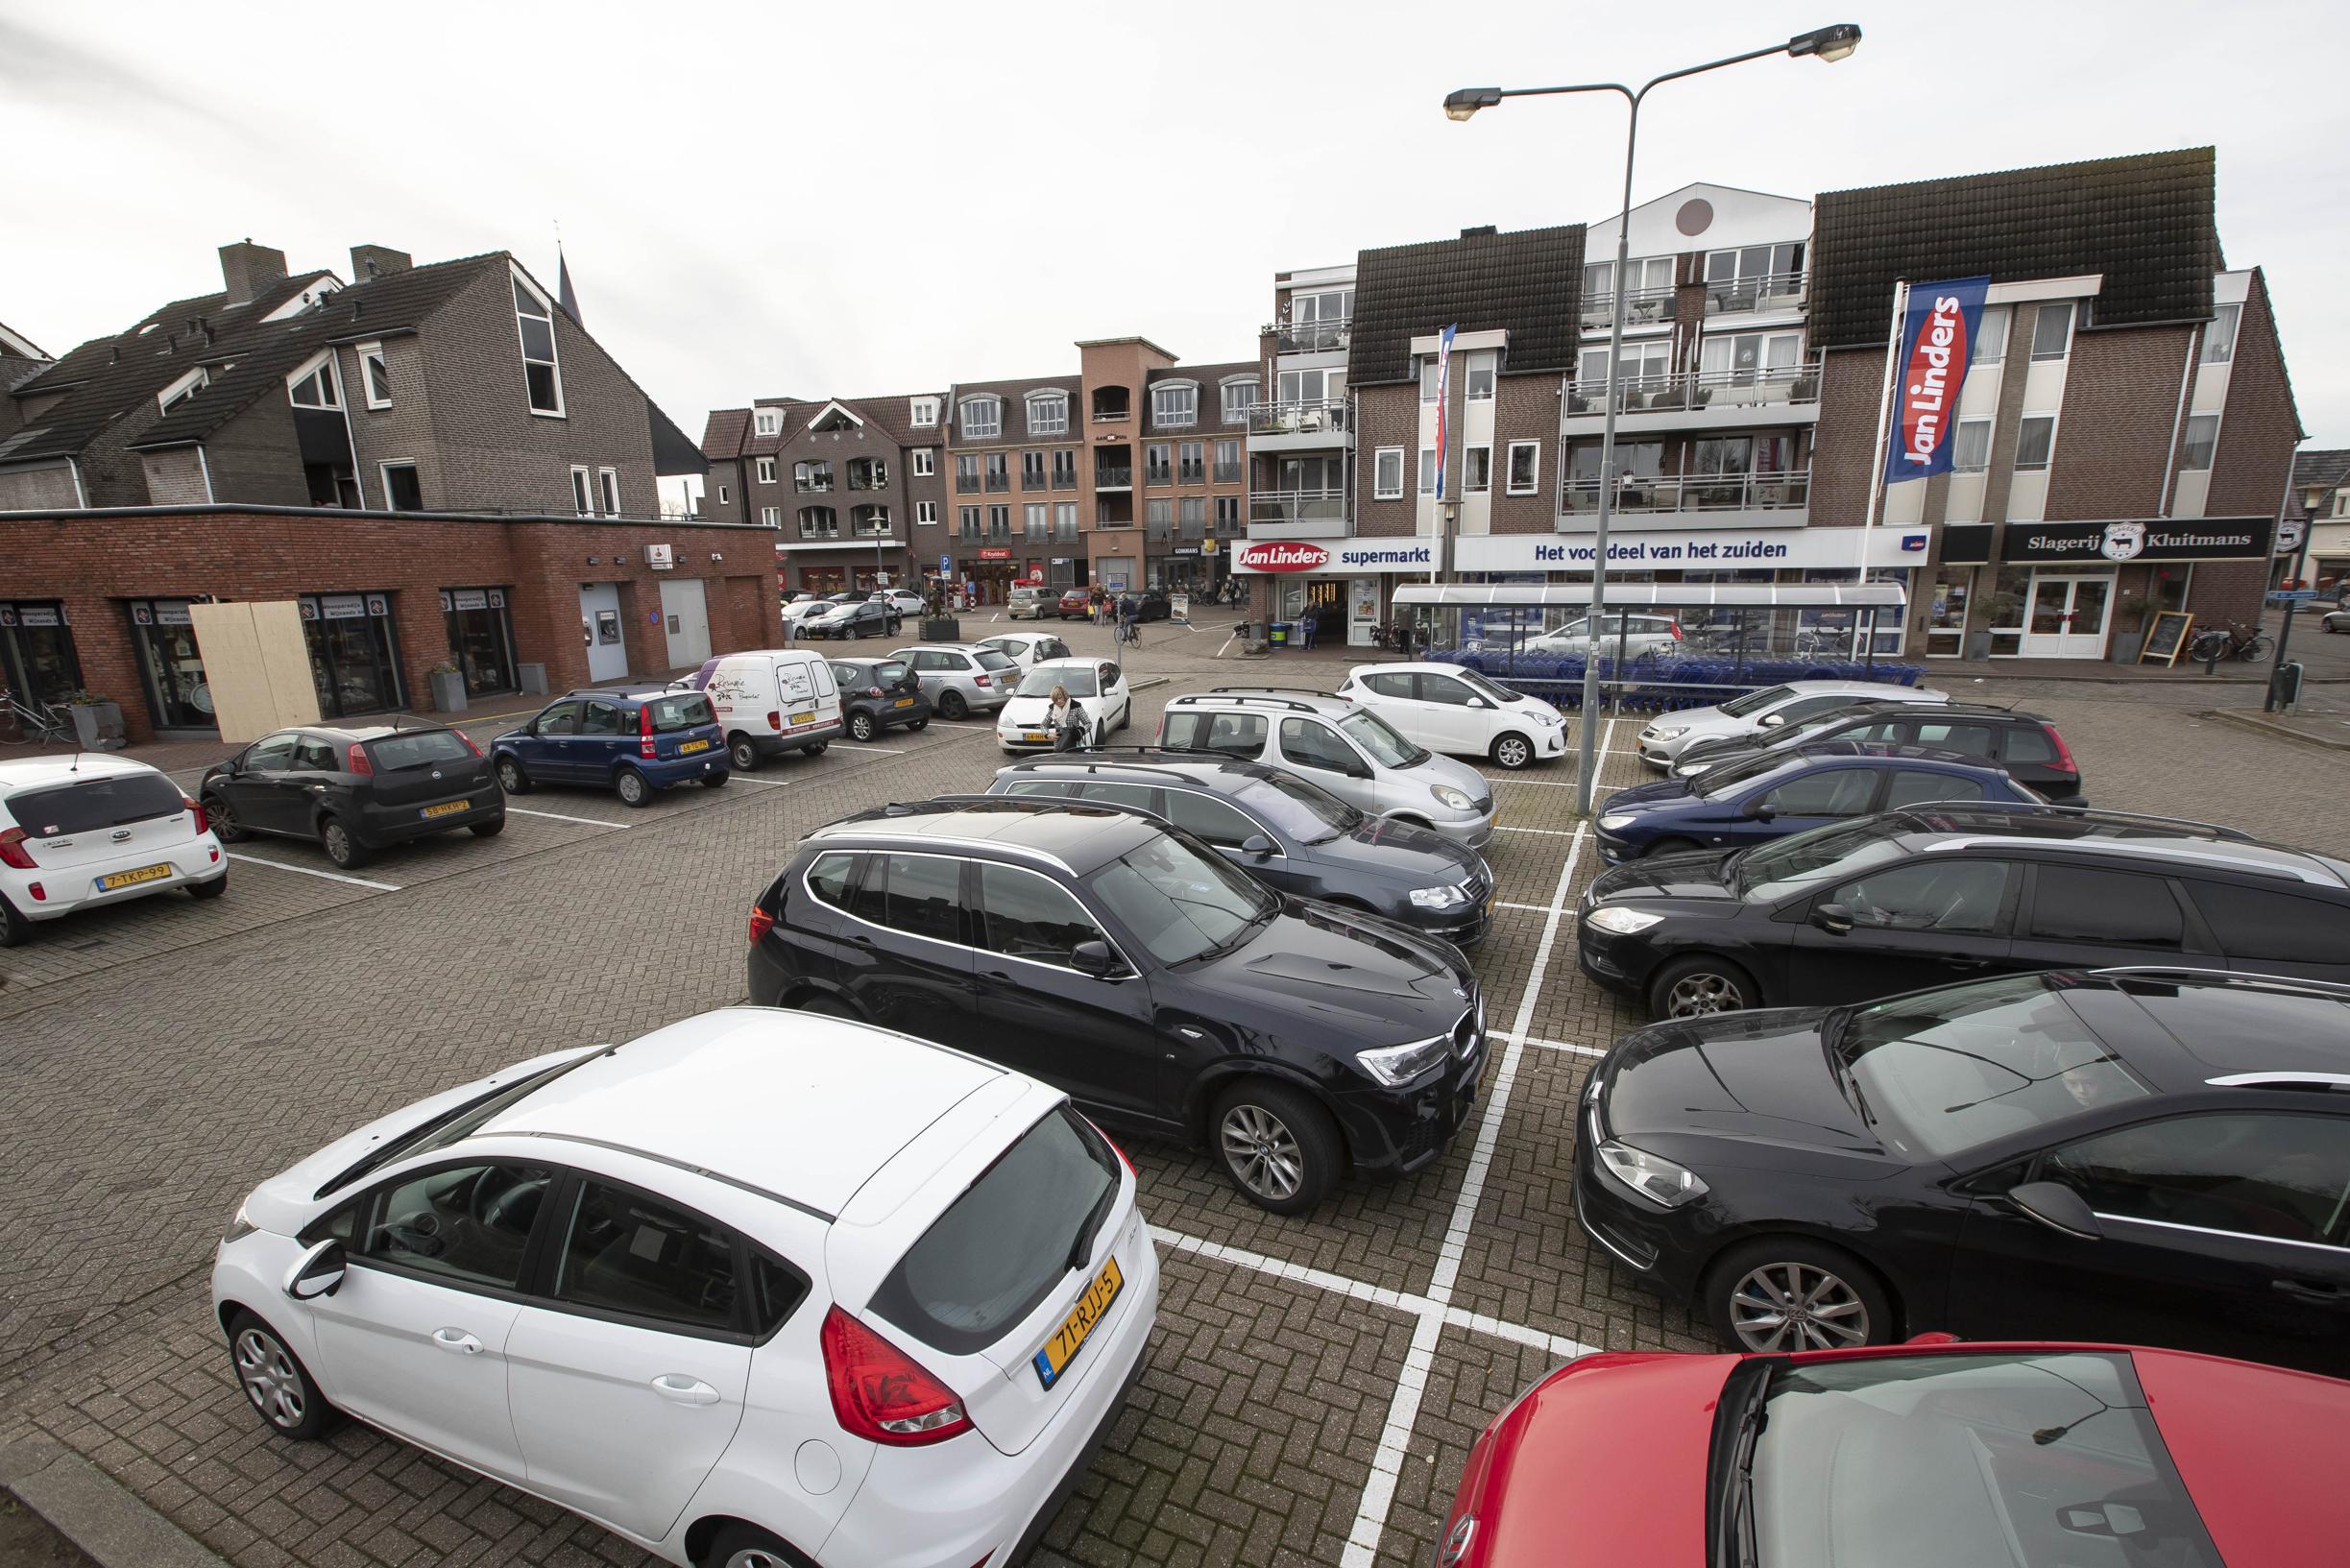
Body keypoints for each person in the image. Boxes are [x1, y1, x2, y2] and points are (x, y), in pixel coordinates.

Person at [1047, 683, 1086, 751]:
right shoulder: (1052, 708)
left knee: (1075, 761)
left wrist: (1080, 732)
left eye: (1060, 698)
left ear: (1064, 696)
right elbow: (1043, 725)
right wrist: (1047, 734)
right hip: (1059, 743)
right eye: (1055, 700)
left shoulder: (1076, 706)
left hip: (1075, 741)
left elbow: (1088, 723)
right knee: (1060, 761)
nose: (1058, 701)